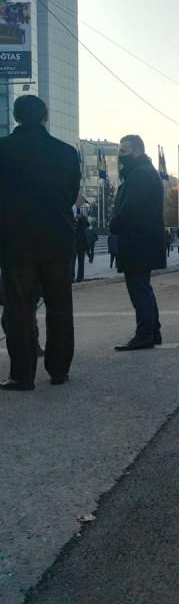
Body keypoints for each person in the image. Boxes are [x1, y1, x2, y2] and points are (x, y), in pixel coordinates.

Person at [0, 95, 80, 390]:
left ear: (16, 116)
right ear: (45, 116)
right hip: (57, 238)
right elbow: (72, 194)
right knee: (60, 305)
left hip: (15, 240)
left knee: (18, 307)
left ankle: (22, 374)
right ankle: (59, 369)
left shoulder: (4, 150)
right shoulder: (66, 152)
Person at [110, 134, 166, 351]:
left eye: (124, 151)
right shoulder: (141, 172)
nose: (120, 155)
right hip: (142, 240)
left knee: (139, 289)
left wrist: (115, 224)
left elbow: (131, 208)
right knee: (143, 287)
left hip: (138, 241)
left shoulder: (140, 175)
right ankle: (153, 332)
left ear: (137, 151)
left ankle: (145, 335)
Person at [73, 208, 90, 282]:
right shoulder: (73, 220)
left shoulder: (80, 222)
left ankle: (76, 277)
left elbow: (87, 223)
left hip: (78, 244)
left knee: (77, 261)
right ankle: (75, 277)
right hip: (76, 244)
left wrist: (81, 217)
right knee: (75, 262)